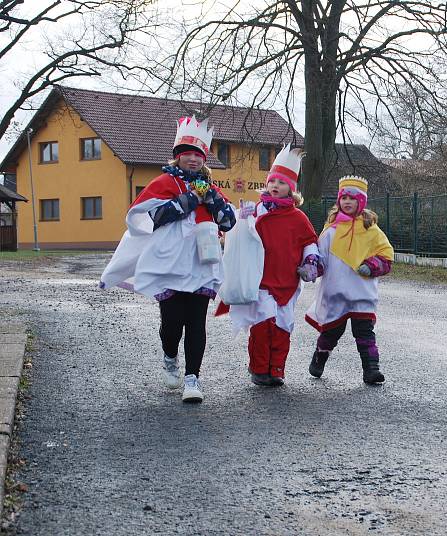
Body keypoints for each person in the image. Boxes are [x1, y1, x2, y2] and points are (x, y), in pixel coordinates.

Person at [100, 116, 236, 403]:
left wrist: (212, 200)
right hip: (169, 261)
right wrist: (185, 202)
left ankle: (192, 378)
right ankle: (170, 356)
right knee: (173, 321)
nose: (192, 159)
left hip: (202, 261)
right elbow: (145, 218)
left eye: (198, 155)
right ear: (177, 157)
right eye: (187, 153)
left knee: (197, 322)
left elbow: (229, 222)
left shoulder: (210, 187)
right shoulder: (163, 182)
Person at [216, 146, 320, 387]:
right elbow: (239, 234)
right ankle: (259, 368)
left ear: (291, 189)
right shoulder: (257, 211)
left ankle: (277, 369)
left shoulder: (299, 218)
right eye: (272, 180)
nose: (275, 185)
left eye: (281, 183)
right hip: (261, 280)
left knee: (283, 326)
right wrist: (241, 220)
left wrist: (311, 263)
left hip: (287, 281)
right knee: (263, 325)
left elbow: (309, 242)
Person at [305, 175, 394, 384]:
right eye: (343, 197)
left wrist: (372, 266)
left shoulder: (371, 230)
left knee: (364, 332)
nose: (347, 202)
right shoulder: (331, 231)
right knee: (331, 331)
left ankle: (371, 370)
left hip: (362, 292)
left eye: (352, 198)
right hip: (335, 292)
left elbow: (386, 256)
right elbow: (321, 258)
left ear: (361, 201)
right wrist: (312, 269)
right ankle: (320, 357)